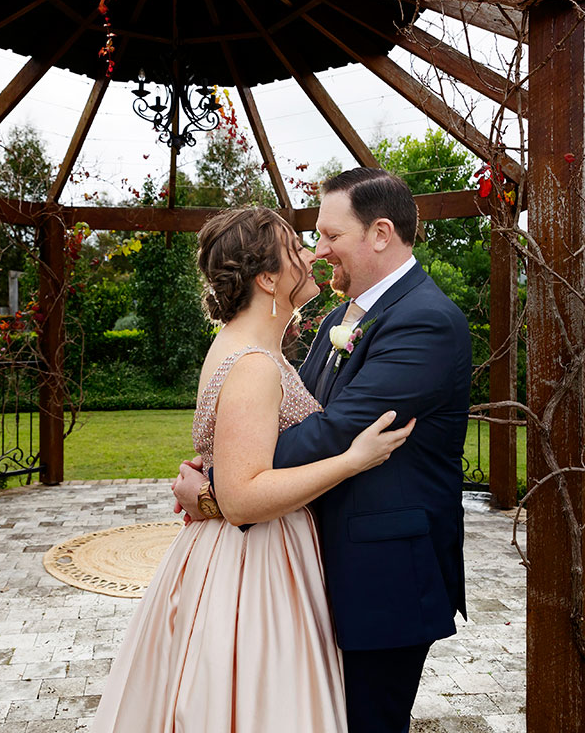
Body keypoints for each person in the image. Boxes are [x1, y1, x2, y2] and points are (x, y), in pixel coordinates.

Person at [91, 206, 415, 733]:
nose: (311, 255)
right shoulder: (254, 365)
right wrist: (352, 461)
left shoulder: (251, 348)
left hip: (247, 549)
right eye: (296, 248)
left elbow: (240, 455)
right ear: (268, 277)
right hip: (255, 562)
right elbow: (243, 497)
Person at [175, 168, 472, 733]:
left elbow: (335, 430)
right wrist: (234, 461)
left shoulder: (426, 322)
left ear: (380, 233)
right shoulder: (340, 316)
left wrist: (223, 481)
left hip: (384, 574)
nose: (319, 250)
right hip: (319, 564)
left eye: (331, 236)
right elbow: (299, 408)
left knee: (369, 722)